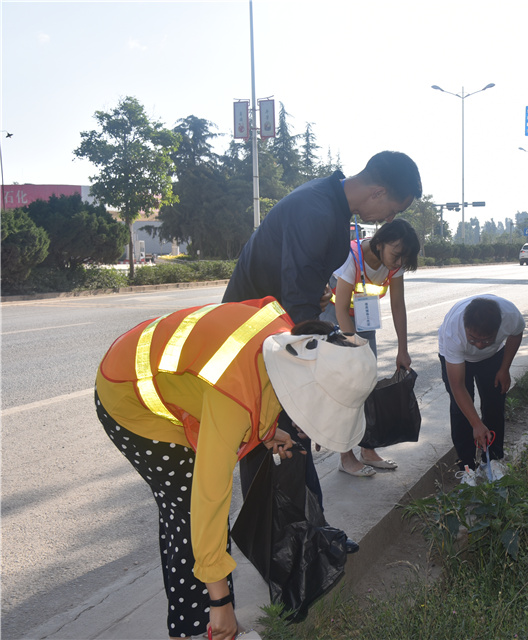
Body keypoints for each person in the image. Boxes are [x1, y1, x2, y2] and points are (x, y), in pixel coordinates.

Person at [95, 298, 378, 640]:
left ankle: (209, 622)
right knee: (190, 512)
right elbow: (209, 499)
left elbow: (261, 385)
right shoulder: (233, 397)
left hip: (167, 377)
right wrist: (221, 601)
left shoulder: (288, 344)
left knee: (192, 518)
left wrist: (267, 431)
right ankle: (197, 627)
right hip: (128, 397)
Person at [222, 150, 422, 495]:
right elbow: (299, 307)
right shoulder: (317, 210)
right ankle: (283, 527)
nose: (388, 219)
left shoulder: (331, 203)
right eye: (392, 210)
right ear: (378, 193)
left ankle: (301, 522)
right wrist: (318, 383)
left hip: (275, 334)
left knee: (288, 446)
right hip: (256, 339)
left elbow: (300, 283)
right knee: (278, 443)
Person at [320, 218, 421, 477]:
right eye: (396, 255)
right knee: (347, 385)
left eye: (404, 258)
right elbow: (341, 309)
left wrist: (403, 349)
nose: (398, 262)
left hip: (364, 317)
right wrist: (354, 350)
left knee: (367, 382)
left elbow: (398, 305)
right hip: (334, 316)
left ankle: (368, 449)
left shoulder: (394, 263)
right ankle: (346, 456)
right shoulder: (352, 257)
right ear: (380, 243)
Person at [437, 295, 525, 485]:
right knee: (461, 411)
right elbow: (458, 386)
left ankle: (492, 460)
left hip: (493, 357)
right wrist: (476, 423)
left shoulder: (510, 315)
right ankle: (467, 468)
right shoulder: (453, 332)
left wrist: (504, 369)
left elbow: (516, 334)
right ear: (466, 327)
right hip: (458, 359)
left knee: (495, 401)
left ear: (498, 329)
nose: (478, 345)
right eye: (473, 339)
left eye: (485, 340)